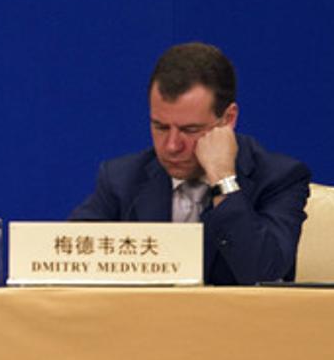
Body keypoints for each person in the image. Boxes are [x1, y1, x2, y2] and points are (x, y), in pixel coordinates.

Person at [70, 42, 310, 284]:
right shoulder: (121, 178)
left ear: (228, 119)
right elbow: (69, 260)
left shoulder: (279, 178)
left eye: (190, 130)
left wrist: (223, 180)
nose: (172, 145)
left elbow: (263, 274)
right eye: (161, 127)